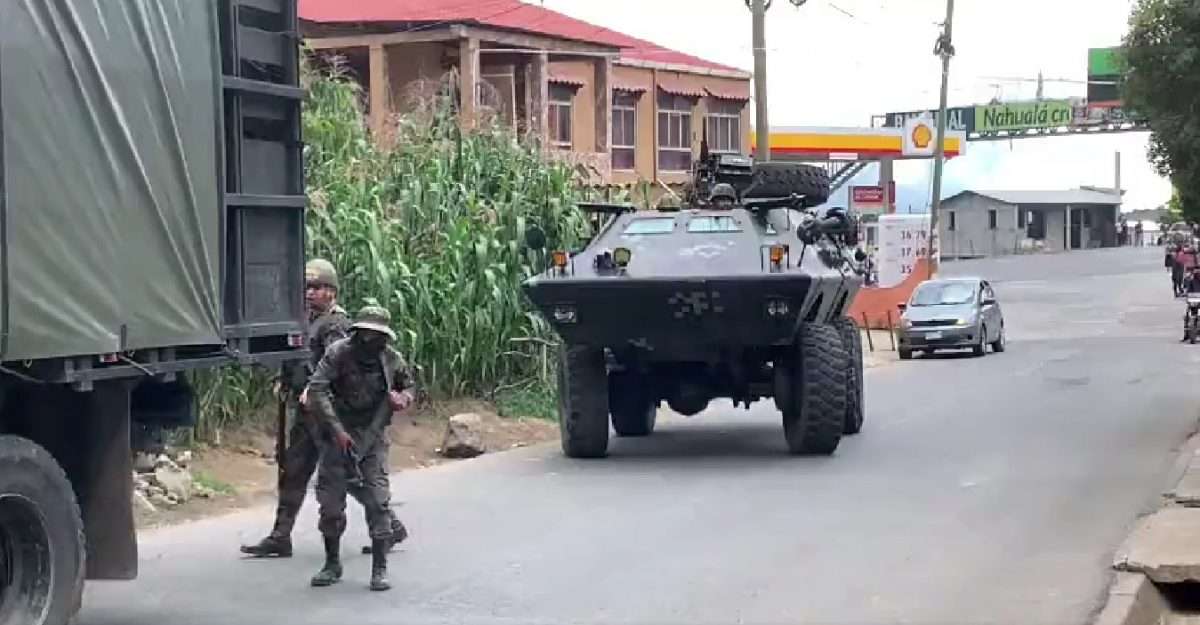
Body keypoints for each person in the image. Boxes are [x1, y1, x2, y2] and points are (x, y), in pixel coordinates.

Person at [240, 260, 408, 559]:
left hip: (327, 413)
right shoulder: (305, 320)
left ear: (332, 292)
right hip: (305, 411)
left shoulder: (336, 325)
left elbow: (337, 368)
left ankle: (389, 524)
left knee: (348, 475)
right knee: (294, 470)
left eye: (318, 287)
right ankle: (280, 536)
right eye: (307, 287)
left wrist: (311, 391)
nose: (310, 293)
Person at [306, 305, 416, 592]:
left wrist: (401, 399)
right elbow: (317, 389)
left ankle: (379, 569)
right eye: (364, 334)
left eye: (375, 335)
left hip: (373, 436)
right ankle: (332, 563)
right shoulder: (338, 353)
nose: (368, 341)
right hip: (336, 434)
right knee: (330, 506)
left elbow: (410, 388)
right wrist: (338, 431)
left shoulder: (392, 360)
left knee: (378, 501)